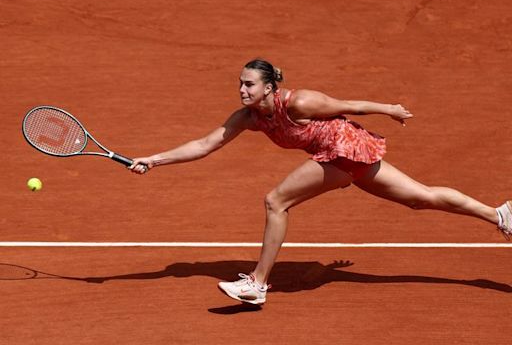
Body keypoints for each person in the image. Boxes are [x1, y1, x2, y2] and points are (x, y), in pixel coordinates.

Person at [129, 58, 511, 305]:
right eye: (240, 84)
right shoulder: (248, 118)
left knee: (276, 200)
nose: (242, 90)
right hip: (346, 157)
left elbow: (348, 106)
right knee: (420, 197)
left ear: (269, 87)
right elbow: (205, 144)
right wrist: (154, 160)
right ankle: (500, 215)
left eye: (249, 84)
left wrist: (390, 109)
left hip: (343, 149)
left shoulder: (299, 103)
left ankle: (258, 284)